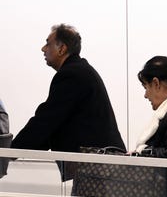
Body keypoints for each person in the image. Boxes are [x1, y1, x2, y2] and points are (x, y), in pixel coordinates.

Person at [11, 24, 125, 179]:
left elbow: (46, 120)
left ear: (62, 49)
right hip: (98, 167)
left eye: (48, 43)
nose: (43, 49)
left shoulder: (72, 74)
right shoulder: (79, 70)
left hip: (98, 170)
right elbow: (52, 124)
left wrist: (10, 152)